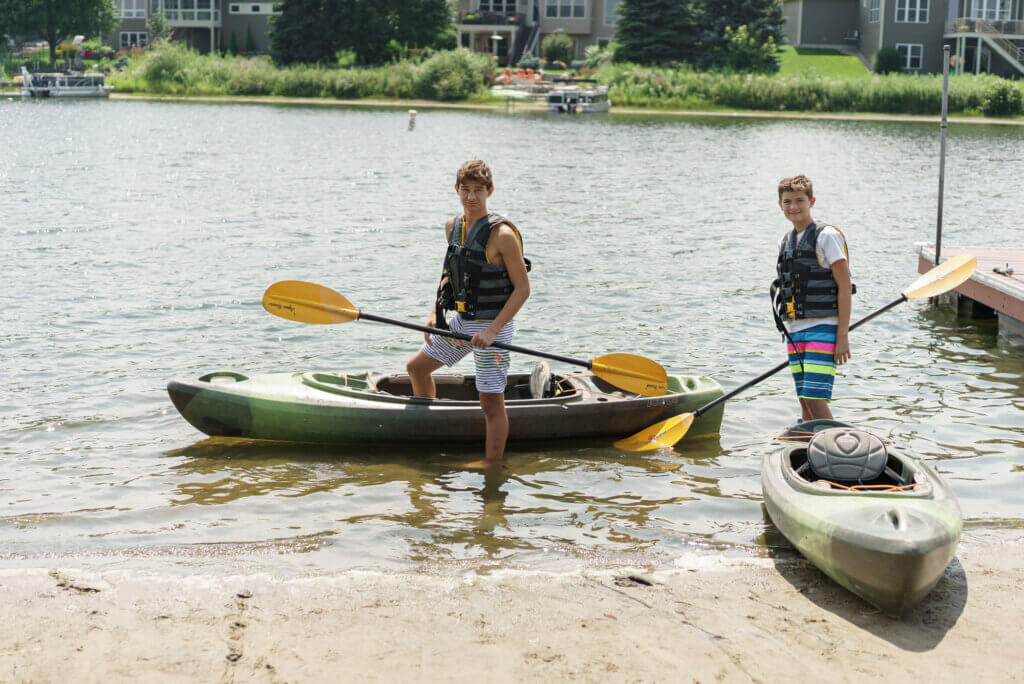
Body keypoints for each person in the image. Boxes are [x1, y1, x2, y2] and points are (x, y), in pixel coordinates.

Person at [406, 160, 531, 462]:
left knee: (490, 402)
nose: (471, 197)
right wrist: (436, 312)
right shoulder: (453, 226)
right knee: (417, 368)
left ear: (490, 191)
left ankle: (492, 466)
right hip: (462, 323)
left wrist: (491, 331)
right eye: (466, 190)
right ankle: (429, 434)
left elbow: (523, 289)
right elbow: (451, 272)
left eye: (478, 191)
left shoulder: (502, 235)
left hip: (494, 328)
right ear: (456, 190)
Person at [772, 174, 853, 421]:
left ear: (811, 201)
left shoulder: (827, 236)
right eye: (787, 201)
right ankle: (808, 446)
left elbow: (844, 286)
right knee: (805, 400)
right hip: (795, 331)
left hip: (824, 327)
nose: (793, 207)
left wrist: (842, 336)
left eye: (799, 200)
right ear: (780, 205)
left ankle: (835, 448)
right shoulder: (785, 241)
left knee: (816, 399)